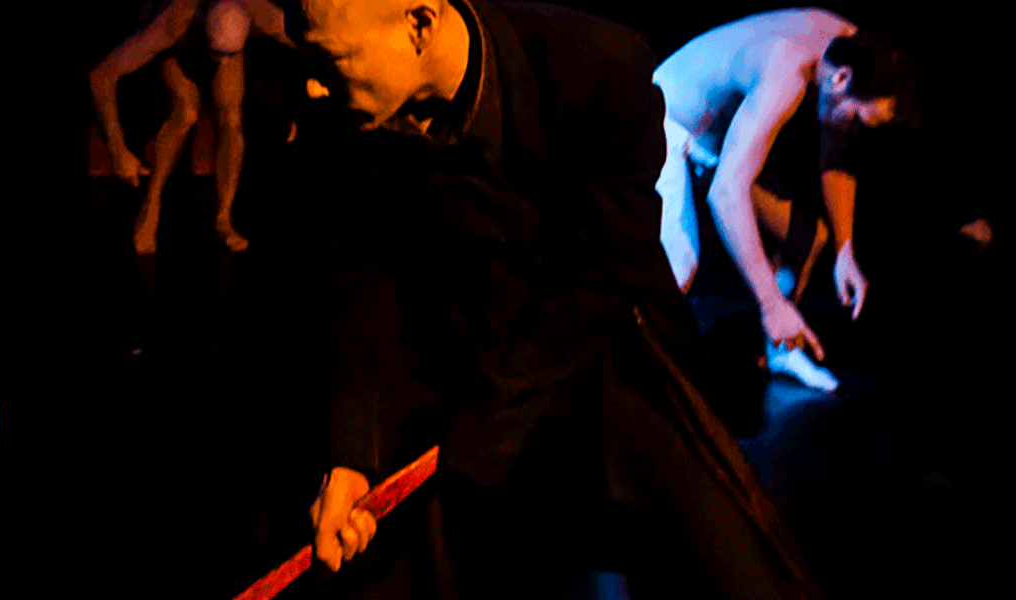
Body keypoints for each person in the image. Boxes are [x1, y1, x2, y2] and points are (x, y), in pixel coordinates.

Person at [287, 1, 819, 597]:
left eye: (330, 60)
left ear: (419, 25)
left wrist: (492, 411)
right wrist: (352, 455)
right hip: (451, 371)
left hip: (600, 352)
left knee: (738, 570)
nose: (311, 87)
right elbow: (359, 276)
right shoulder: (342, 115)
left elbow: (610, 267)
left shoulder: (596, 65)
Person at [652, 8, 912, 392]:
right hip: (666, 118)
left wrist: (845, 249)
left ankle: (780, 349)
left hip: (715, 138)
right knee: (680, 264)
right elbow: (726, 194)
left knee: (805, 238)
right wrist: (771, 304)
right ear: (841, 79)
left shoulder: (847, 47)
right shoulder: (785, 73)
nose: (852, 130)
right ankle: (620, 369)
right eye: (856, 119)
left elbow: (836, 156)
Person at [90, 0, 294, 253]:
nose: (220, 64)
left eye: (227, 55)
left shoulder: (262, 14)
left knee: (231, 120)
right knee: (185, 111)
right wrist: (117, 149)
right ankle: (151, 203)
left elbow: (313, 45)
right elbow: (100, 77)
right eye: (217, 55)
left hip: (220, 31)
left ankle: (223, 219)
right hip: (179, 38)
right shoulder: (171, 24)